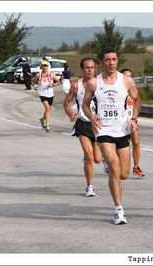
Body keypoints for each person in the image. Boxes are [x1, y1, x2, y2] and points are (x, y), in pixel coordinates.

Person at [82, 48, 141, 225]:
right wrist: (92, 118)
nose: (111, 62)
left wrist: (134, 119)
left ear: (117, 61)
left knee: (123, 174)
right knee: (114, 167)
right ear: (102, 62)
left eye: (114, 59)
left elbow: (137, 99)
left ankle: (111, 165)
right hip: (103, 130)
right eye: (107, 59)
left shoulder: (127, 81)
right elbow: (85, 105)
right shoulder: (94, 83)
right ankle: (118, 209)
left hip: (122, 129)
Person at [63, 57, 102, 197]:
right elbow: (66, 103)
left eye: (92, 67)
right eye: (87, 67)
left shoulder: (100, 84)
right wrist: (70, 114)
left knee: (97, 159)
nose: (90, 70)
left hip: (97, 124)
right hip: (82, 124)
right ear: (82, 69)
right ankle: (89, 186)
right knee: (90, 157)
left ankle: (94, 158)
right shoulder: (76, 85)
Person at [120, 68, 145, 177]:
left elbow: (137, 102)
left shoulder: (133, 90)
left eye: (130, 76)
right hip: (119, 121)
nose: (128, 78)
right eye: (126, 76)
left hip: (132, 120)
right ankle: (113, 163)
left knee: (135, 142)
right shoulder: (118, 89)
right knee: (120, 144)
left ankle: (136, 167)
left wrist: (134, 118)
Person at [32, 60, 61, 133]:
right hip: (42, 94)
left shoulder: (51, 75)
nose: (45, 67)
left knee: (48, 110)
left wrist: (53, 85)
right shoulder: (39, 75)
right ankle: (47, 126)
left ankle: (43, 119)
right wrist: (35, 86)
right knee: (47, 109)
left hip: (50, 94)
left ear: (48, 67)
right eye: (43, 66)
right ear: (41, 67)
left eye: (46, 66)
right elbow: (33, 81)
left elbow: (59, 82)